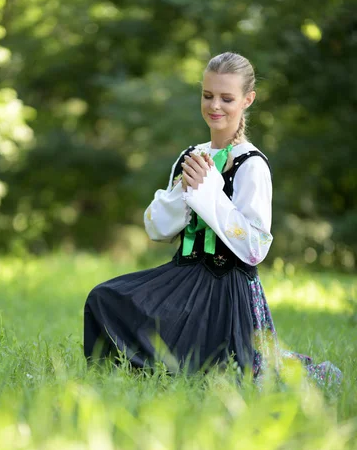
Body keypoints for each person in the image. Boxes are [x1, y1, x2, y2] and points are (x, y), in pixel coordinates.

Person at [83, 51, 342, 391]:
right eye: (207, 95)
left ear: (247, 100)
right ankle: (117, 382)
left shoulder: (251, 165)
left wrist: (210, 194)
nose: (215, 106)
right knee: (105, 298)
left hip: (228, 287)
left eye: (226, 98)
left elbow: (255, 248)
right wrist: (183, 193)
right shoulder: (191, 156)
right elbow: (155, 227)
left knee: (221, 374)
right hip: (182, 276)